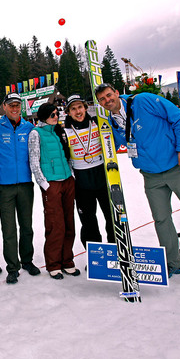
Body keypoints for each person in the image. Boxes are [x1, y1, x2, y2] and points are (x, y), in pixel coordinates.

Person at [94, 84, 180, 294]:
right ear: (100, 103)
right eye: (102, 99)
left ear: (116, 93)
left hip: (178, 166)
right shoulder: (112, 120)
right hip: (151, 174)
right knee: (162, 219)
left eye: (109, 95)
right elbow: (117, 144)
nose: (107, 100)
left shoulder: (143, 100)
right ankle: (173, 263)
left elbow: (179, 119)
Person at [0, 92, 40, 284]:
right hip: (5, 187)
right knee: (9, 229)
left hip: (26, 184)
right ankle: (13, 267)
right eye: (11, 105)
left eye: (17, 105)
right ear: (4, 106)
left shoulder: (29, 128)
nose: (14, 108)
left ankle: (27, 260)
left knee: (26, 226)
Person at [28, 103, 78, 279]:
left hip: (67, 180)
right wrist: (45, 184)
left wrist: (71, 175)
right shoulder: (36, 133)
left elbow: (67, 154)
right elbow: (34, 161)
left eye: (57, 114)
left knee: (69, 222)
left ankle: (67, 260)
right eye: (51, 115)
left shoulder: (59, 131)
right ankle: (54, 264)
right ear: (43, 117)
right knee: (55, 224)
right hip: (52, 183)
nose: (55, 117)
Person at [63, 95, 114, 248]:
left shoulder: (98, 123)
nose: (77, 111)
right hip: (82, 182)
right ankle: (95, 256)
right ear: (68, 112)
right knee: (88, 222)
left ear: (85, 107)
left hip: (103, 178)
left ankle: (116, 250)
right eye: (73, 109)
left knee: (112, 218)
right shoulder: (65, 131)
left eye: (80, 107)